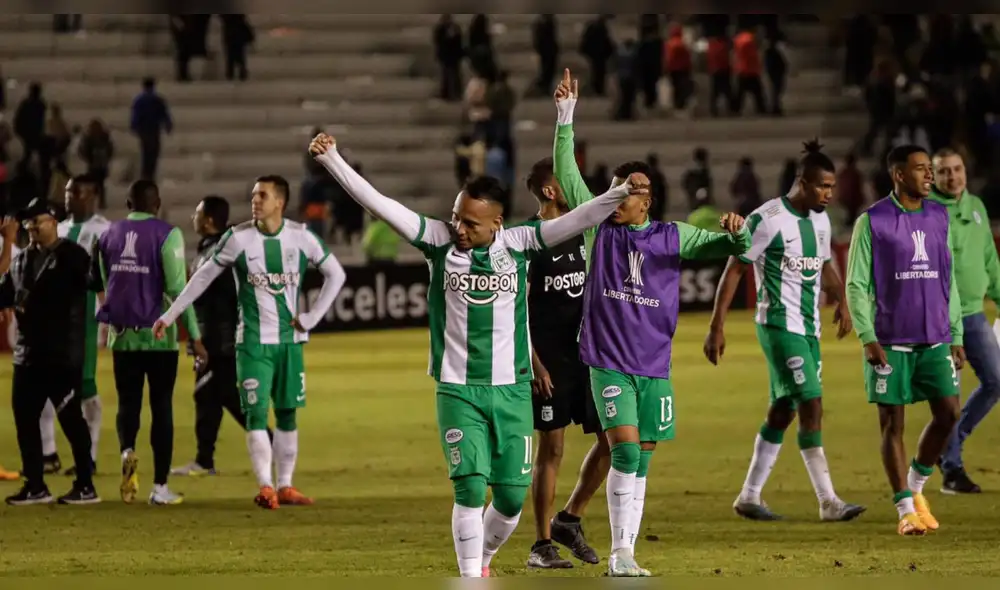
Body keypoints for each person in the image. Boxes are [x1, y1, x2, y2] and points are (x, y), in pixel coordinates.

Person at [311, 131, 648, 578]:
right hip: (458, 390)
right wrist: (333, 159)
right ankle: (470, 577)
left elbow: (579, 219)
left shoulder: (521, 243)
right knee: (469, 488)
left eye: (471, 222)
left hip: (511, 391)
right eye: (456, 217)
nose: (460, 228)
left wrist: (617, 195)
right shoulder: (436, 240)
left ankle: (484, 560)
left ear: (497, 223)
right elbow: (377, 203)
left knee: (509, 498)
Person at [552, 68, 751, 577]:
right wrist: (565, 118)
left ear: (649, 198)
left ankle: (624, 550)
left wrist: (738, 231)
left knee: (641, 459)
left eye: (633, 189)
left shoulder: (672, 236)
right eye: (618, 187)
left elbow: (732, 247)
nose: (622, 194)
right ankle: (621, 555)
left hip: (654, 365)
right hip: (607, 361)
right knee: (622, 452)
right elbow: (570, 179)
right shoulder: (598, 231)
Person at [154, 176, 347, 510]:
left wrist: (313, 317)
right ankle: (266, 486)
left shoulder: (300, 237)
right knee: (256, 414)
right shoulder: (238, 238)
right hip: (253, 342)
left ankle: (286, 485)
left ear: (279, 203)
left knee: (288, 416)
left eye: (263, 195)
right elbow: (202, 277)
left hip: (290, 342)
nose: (254, 199)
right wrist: (170, 315)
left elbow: (336, 274)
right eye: (254, 194)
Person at [704, 140, 866, 523]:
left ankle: (748, 496)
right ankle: (828, 501)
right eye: (823, 187)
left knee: (784, 410)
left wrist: (840, 299)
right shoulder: (767, 219)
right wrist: (716, 325)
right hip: (778, 326)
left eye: (832, 187)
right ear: (803, 183)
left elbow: (824, 264)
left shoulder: (821, 220)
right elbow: (736, 267)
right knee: (812, 403)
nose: (830, 193)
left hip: (809, 330)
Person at [845, 145, 964, 536]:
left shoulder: (939, 216)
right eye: (920, 169)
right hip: (890, 340)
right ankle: (904, 510)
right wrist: (867, 335)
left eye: (930, 169)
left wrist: (956, 332)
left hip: (934, 337)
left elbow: (949, 279)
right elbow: (857, 284)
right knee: (892, 424)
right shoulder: (873, 221)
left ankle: (916, 488)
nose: (929, 175)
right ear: (898, 174)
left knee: (949, 413)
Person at [94, 179, 206, 505]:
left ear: (128, 204)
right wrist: (195, 337)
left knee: (128, 404)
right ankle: (159, 488)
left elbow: (105, 285)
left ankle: (127, 451)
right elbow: (178, 290)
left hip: (122, 336)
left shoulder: (107, 235)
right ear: (157, 204)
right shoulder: (167, 234)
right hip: (159, 337)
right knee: (161, 407)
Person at [523, 157, 605, 570]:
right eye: (566, 181)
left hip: (589, 356)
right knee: (551, 448)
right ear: (551, 191)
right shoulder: (530, 241)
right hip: (550, 360)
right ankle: (541, 545)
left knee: (613, 440)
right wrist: (535, 364)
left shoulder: (586, 232)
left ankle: (569, 519)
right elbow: (515, 309)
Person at [1, 198, 100, 505]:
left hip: (61, 353)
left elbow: (96, 284)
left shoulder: (74, 256)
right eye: (28, 222)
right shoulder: (20, 261)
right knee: (25, 419)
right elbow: (4, 292)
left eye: (38, 221)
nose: (31, 226)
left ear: (55, 222)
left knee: (71, 419)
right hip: (27, 355)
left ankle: (85, 484)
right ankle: (35, 485)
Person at [171, 196, 269, 477]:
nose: (194, 217)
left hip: (220, 341)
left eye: (198, 213)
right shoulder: (208, 250)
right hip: (209, 338)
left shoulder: (223, 253)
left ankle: (271, 442)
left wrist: (214, 338)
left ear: (210, 220)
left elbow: (229, 298)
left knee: (221, 395)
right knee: (209, 398)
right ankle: (204, 460)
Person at [929, 149, 1000, 493]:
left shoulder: (977, 207)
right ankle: (952, 469)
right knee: (949, 396)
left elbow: (989, 256)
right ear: (932, 176)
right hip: (941, 319)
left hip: (973, 312)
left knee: (996, 381)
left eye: (957, 169)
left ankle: (949, 445)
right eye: (944, 172)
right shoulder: (926, 211)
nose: (953, 177)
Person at [36, 174, 112, 477]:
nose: (69, 197)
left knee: (86, 390)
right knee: (43, 386)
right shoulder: (58, 230)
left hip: (86, 322)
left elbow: (110, 277)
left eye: (77, 192)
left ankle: (90, 456)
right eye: (68, 192)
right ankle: (49, 452)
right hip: (53, 320)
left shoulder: (105, 232)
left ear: (92, 194)